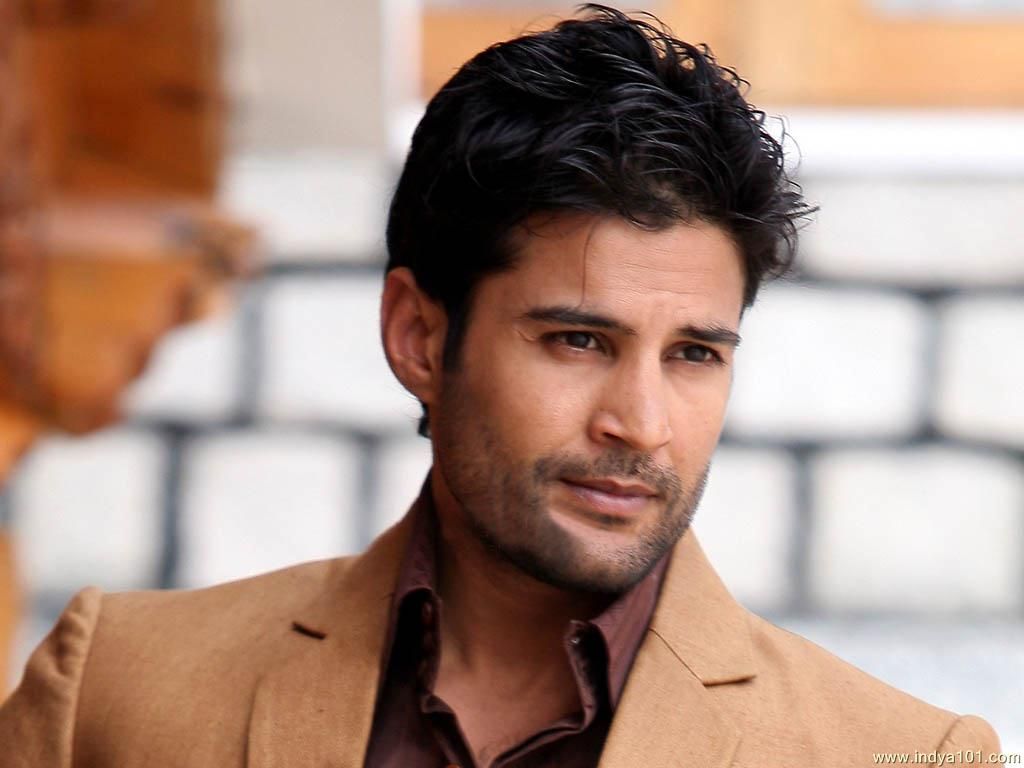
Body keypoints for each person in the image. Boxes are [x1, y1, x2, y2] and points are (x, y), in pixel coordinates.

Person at [0, 5, 1002, 766]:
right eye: (578, 340)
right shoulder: (115, 691)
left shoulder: (902, 756)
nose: (641, 425)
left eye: (694, 353)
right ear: (417, 336)